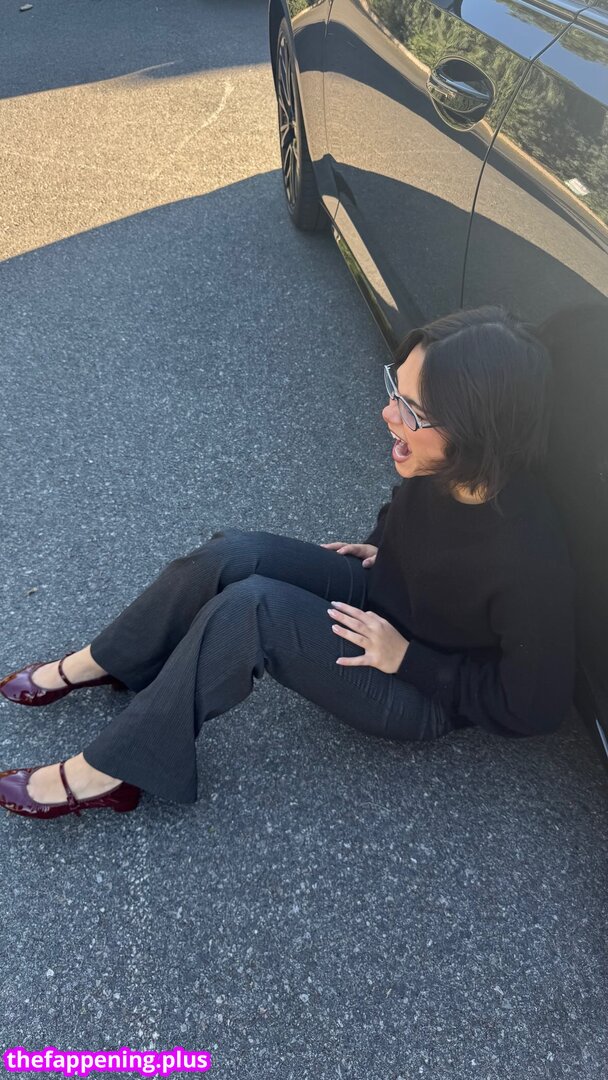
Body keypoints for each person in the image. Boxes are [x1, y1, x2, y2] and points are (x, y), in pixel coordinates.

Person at [0, 305, 576, 821]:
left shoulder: (528, 559)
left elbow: (535, 707)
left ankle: (116, 771)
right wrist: (386, 543)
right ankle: (112, 660)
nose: (387, 412)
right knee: (234, 553)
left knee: (254, 611)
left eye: (410, 409)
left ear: (475, 432)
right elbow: (411, 510)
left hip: (417, 689)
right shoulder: (446, 464)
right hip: (383, 595)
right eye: (394, 390)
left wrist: (409, 659)